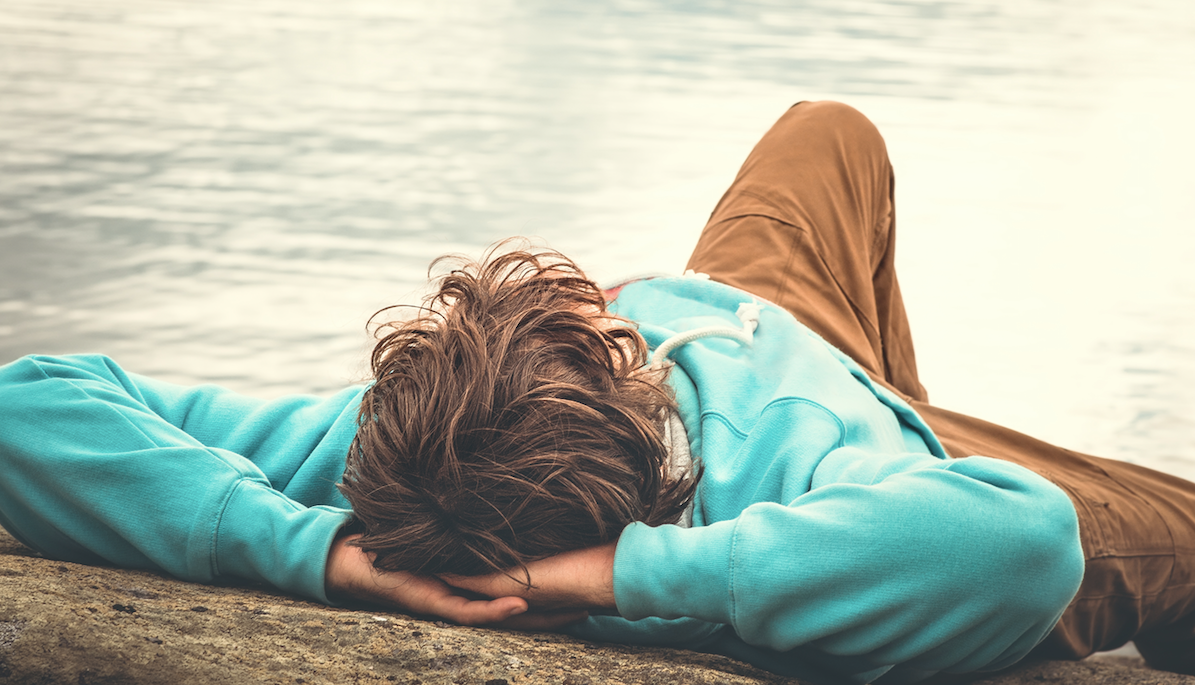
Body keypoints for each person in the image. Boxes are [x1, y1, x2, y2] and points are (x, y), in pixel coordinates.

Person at [1, 101, 1192, 683]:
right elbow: (1018, 538)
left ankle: (892, 410)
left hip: (748, 310)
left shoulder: (388, 459)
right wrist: (620, 576)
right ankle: (911, 440)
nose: (589, 296)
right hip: (840, 439)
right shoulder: (777, 484)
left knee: (828, 131)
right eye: (609, 336)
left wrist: (321, 556)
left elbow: (27, 401)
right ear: (645, 422)